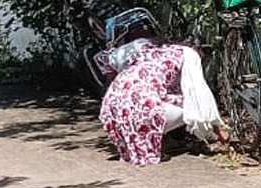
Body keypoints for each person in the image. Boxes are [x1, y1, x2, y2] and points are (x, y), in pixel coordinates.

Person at [95, 12, 223, 166]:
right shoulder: (189, 55)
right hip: (143, 111)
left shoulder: (144, 49)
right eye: (205, 52)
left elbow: (108, 67)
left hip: (111, 111)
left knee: (162, 98)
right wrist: (220, 132)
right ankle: (162, 140)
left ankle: (158, 139)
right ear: (196, 47)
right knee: (192, 103)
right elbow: (201, 97)